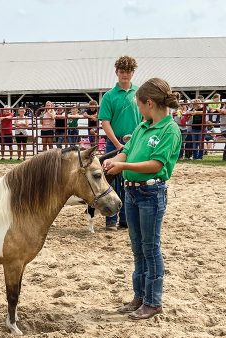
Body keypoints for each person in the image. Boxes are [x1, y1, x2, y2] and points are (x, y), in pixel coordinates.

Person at [103, 78, 182, 320]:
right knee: (138, 248)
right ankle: (140, 297)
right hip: (133, 192)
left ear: (149, 103)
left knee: (150, 248)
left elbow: (156, 164)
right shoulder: (143, 126)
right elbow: (126, 150)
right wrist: (114, 160)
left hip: (150, 193)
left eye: (139, 105)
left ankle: (153, 301)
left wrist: (123, 164)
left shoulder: (169, 130)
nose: (138, 109)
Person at [99, 55, 142, 231]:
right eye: (122, 71)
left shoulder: (139, 93)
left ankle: (126, 220)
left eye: (128, 71)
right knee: (111, 182)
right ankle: (111, 219)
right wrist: (117, 144)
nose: (125, 75)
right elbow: (105, 121)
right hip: (114, 143)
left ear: (133, 72)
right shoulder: (109, 96)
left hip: (135, 142)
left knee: (131, 180)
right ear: (117, 72)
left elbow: (144, 118)